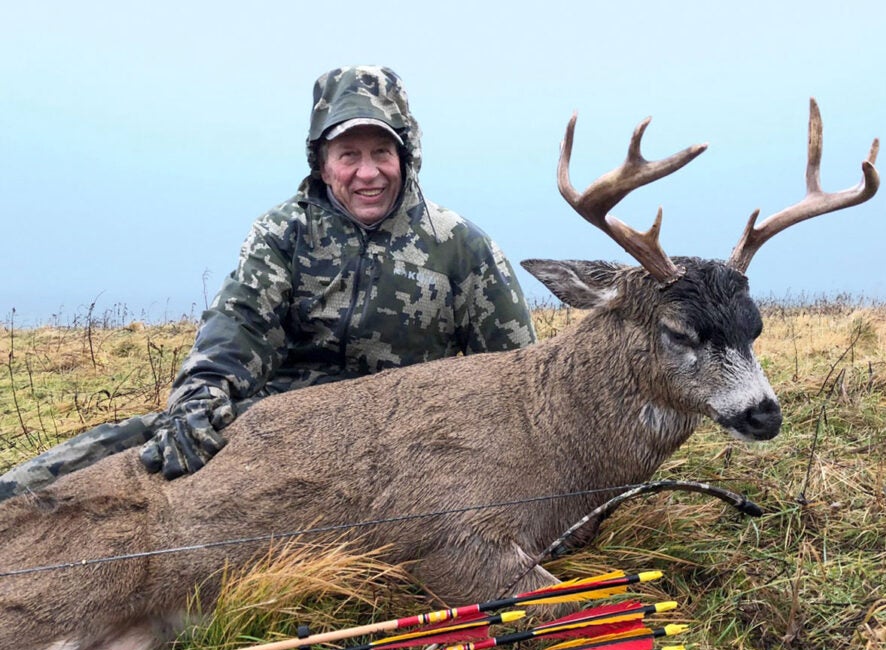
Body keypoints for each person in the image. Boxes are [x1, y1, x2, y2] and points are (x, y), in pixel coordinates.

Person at [0, 65, 536, 500]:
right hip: (279, 425)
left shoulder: (461, 244)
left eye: (381, 152)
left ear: (406, 157)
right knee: (105, 460)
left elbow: (520, 377)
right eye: (349, 155)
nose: (367, 172)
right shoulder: (285, 230)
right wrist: (198, 397)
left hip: (413, 441)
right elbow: (239, 323)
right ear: (323, 164)